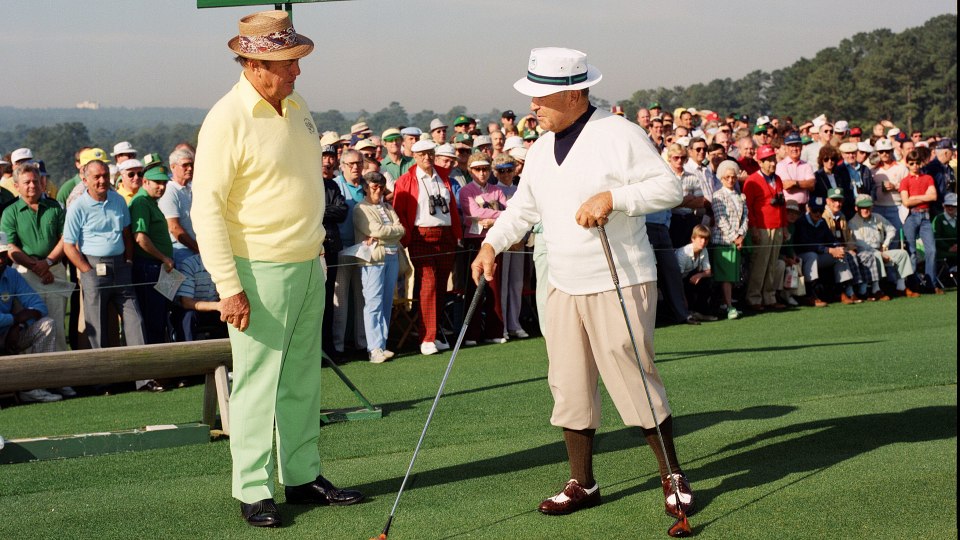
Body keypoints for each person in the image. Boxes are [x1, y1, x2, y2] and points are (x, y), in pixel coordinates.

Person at [472, 47, 693, 519]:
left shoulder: (619, 133)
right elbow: (523, 210)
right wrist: (491, 244)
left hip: (619, 278)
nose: (533, 105)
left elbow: (669, 188)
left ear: (572, 94)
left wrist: (614, 196)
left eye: (541, 97)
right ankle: (583, 482)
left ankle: (672, 475)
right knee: (568, 385)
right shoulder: (537, 149)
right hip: (562, 282)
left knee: (633, 378)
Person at [191, 10, 363, 528]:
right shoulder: (227, 118)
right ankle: (253, 489)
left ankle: (303, 474)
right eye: (289, 62)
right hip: (257, 271)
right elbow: (207, 209)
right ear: (255, 63)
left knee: (301, 381)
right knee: (257, 385)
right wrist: (229, 286)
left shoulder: (297, 106)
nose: (297, 71)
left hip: (308, 264)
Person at [62, 159, 150, 379]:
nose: (102, 181)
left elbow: (127, 233)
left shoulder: (118, 200)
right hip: (92, 266)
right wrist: (86, 270)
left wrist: (128, 261)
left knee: (135, 320)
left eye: (105, 176)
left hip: (121, 266)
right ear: (85, 180)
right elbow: (68, 245)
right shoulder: (78, 207)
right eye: (96, 177)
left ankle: (144, 377)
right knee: (97, 326)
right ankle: (103, 379)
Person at [393, 139, 463, 356]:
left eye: (430, 153)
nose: (427, 157)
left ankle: (434, 333)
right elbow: (399, 210)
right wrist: (406, 238)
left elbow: (451, 207)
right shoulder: (406, 180)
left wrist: (456, 235)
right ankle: (427, 337)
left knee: (441, 286)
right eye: (422, 154)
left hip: (445, 236)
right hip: (421, 236)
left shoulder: (443, 177)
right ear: (414, 156)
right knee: (428, 285)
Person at [2, 162, 71, 354]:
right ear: (16, 186)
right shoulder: (10, 212)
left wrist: (47, 263)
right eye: (26, 182)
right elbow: (10, 246)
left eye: (35, 181)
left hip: (54, 270)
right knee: (30, 325)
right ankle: (32, 379)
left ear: (41, 182)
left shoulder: (55, 206)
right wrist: (36, 266)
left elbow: (66, 238)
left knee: (56, 322)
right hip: (25, 274)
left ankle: (60, 379)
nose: (32, 185)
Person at [0, 231, 63, 403]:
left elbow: (38, 306)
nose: (1, 260)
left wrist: (19, 326)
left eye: (3, 255)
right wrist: (14, 321)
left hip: (8, 335)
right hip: (7, 331)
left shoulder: (11, 274)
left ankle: (35, 387)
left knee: (47, 324)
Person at [352, 171, 404, 363]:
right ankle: (374, 349)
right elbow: (375, 229)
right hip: (373, 260)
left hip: (392, 257)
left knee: (386, 302)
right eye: (374, 187)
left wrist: (387, 233)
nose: (378, 191)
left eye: (381, 187)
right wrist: (391, 232)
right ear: (366, 188)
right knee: (373, 302)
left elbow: (401, 230)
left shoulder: (388, 207)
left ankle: (381, 344)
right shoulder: (360, 209)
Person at [459, 153, 507, 345]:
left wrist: (491, 219)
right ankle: (471, 334)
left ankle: (495, 331)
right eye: (478, 169)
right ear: (470, 170)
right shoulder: (465, 191)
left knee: (494, 287)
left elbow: (509, 213)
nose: (482, 173)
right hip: (474, 241)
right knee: (474, 288)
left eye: (485, 169)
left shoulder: (496, 190)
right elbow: (474, 213)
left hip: (494, 241)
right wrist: (497, 215)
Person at [129, 163, 176, 345]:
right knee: (153, 319)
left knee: (162, 316)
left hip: (159, 267)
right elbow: (140, 238)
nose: (162, 186)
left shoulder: (150, 202)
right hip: (150, 268)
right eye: (157, 182)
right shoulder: (141, 202)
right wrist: (163, 257)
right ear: (145, 181)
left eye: (164, 182)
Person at [742, 144, 787, 311]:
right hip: (762, 227)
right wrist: (753, 227)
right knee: (759, 265)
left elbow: (782, 204)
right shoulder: (752, 180)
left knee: (772, 264)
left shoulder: (778, 179)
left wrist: (784, 226)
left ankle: (769, 297)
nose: (772, 163)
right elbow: (748, 207)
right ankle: (753, 298)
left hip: (777, 226)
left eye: (773, 159)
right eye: (767, 161)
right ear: (760, 163)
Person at [848, 194, 919, 299]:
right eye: (862, 207)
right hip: (864, 254)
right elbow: (861, 244)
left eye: (867, 207)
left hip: (880, 249)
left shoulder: (878, 217)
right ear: (856, 208)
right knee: (875, 255)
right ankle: (876, 289)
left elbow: (891, 229)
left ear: (872, 207)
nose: (865, 210)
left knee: (902, 253)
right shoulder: (852, 223)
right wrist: (880, 253)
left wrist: (885, 244)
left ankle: (901, 287)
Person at [792, 196, 857, 306]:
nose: (818, 213)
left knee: (841, 254)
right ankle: (810, 295)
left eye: (820, 210)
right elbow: (806, 245)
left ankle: (841, 291)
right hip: (802, 255)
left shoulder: (822, 221)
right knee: (812, 256)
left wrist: (837, 247)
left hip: (820, 255)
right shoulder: (801, 222)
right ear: (808, 209)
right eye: (814, 210)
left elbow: (831, 239)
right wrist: (829, 250)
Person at [709, 160, 748, 319]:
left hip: (736, 240)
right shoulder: (718, 196)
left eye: (733, 177)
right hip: (722, 241)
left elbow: (745, 217)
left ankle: (727, 304)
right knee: (725, 275)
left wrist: (741, 235)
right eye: (727, 177)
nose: (731, 180)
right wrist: (735, 237)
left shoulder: (740, 196)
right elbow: (720, 220)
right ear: (721, 178)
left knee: (732, 275)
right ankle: (729, 306)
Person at [899, 150, 940, 293]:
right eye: (911, 163)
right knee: (912, 252)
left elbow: (933, 196)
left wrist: (915, 198)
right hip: (911, 216)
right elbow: (906, 201)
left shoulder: (928, 178)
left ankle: (931, 284)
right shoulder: (905, 181)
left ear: (921, 163)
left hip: (926, 217)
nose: (915, 166)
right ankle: (913, 285)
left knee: (932, 250)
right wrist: (924, 196)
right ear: (907, 164)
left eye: (917, 163)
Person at [158, 148, 199, 266]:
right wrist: (197, 249)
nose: (190, 168)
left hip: (193, 248)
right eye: (185, 165)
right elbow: (174, 227)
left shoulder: (189, 188)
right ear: (173, 167)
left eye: (191, 165)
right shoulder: (169, 190)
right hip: (181, 250)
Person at [676, 225, 715, 321]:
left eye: (706, 239)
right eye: (701, 238)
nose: (703, 242)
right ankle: (687, 312)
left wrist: (699, 275)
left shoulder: (704, 250)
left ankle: (701, 312)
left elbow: (708, 272)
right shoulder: (682, 254)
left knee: (708, 281)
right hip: (677, 280)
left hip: (688, 277)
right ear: (693, 239)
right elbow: (677, 280)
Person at [813, 145, 855, 218]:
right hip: (825, 213)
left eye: (832, 159)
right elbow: (816, 197)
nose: (830, 161)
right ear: (821, 160)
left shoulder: (841, 174)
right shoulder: (817, 176)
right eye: (826, 159)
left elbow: (847, 192)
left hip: (842, 211)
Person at [776, 132, 815, 211]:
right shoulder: (781, 165)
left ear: (801, 147)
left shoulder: (807, 165)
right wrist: (804, 183)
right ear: (786, 148)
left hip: (803, 208)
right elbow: (787, 186)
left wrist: (794, 183)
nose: (794, 148)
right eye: (791, 146)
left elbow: (812, 184)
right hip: (787, 208)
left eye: (797, 145)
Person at [932, 192, 957, 285]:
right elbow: (936, 237)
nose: (950, 208)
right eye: (948, 205)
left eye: (953, 206)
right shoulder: (938, 219)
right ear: (944, 206)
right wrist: (948, 248)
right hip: (941, 251)